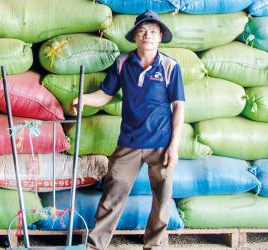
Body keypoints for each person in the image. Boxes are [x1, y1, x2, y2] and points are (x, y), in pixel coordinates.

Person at [72, 10, 185, 250]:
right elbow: (105, 95)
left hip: (161, 142)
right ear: (135, 36)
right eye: (142, 31)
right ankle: (96, 244)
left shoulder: (169, 66)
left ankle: (154, 244)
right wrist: (83, 99)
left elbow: (178, 107)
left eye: (153, 32)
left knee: (163, 198)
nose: (148, 36)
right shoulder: (123, 63)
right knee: (113, 193)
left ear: (161, 36)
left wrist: (174, 146)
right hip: (130, 142)